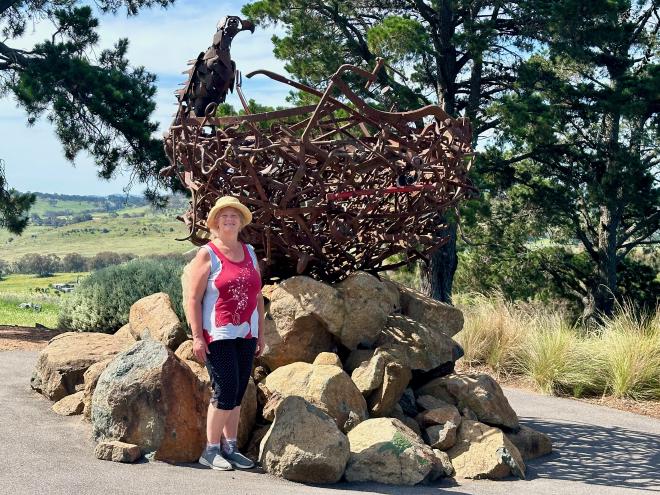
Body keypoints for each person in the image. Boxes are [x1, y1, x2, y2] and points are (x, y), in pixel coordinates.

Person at [185, 196, 265, 471]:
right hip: (217, 334)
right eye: (224, 216)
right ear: (216, 222)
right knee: (225, 388)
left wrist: (260, 333)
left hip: (246, 333)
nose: (229, 220)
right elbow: (193, 298)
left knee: (239, 390)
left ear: (240, 222)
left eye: (234, 216)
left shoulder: (249, 251)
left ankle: (231, 447)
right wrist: (197, 336)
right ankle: (210, 450)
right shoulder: (207, 253)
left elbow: (258, 295)